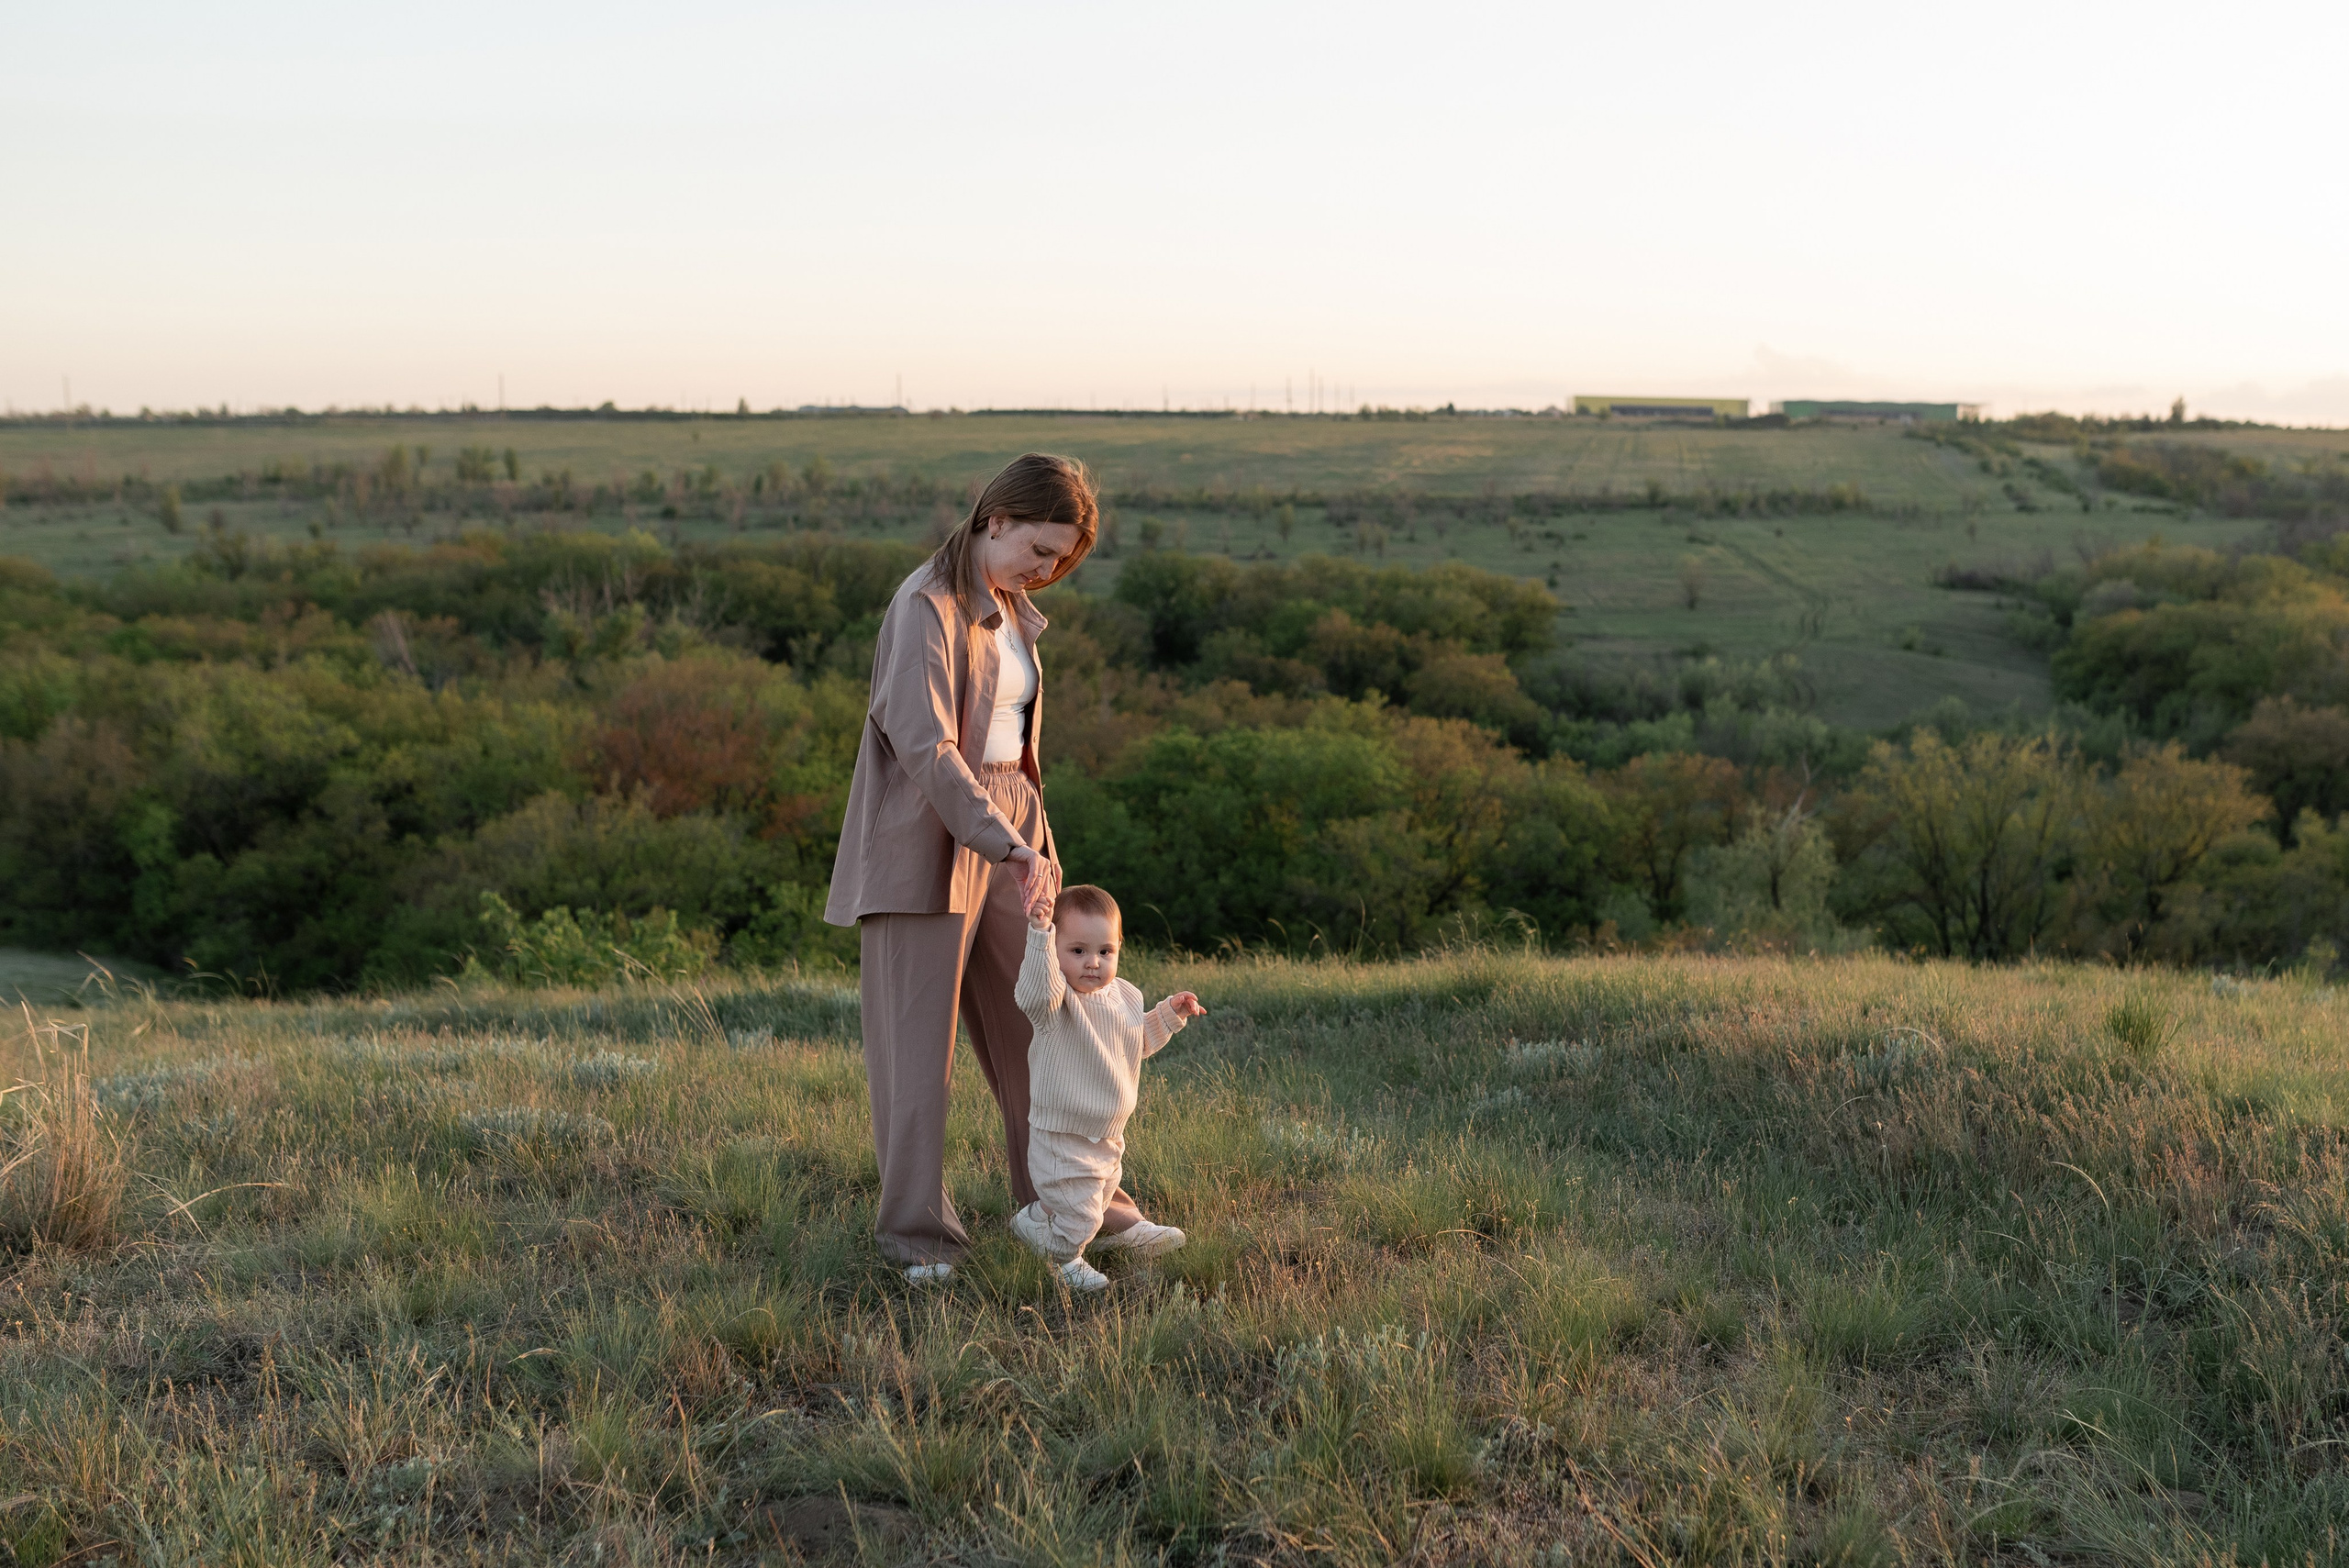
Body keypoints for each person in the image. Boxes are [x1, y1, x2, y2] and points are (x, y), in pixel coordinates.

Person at [824, 452, 1185, 1284]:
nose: (1047, 569)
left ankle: (1077, 1209)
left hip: (1012, 825)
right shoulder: (925, 604)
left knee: (1049, 1028)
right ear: (997, 518)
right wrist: (1002, 838)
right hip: (929, 832)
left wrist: (1035, 838)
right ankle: (919, 1240)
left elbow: (1013, 743)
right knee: (917, 1056)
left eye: (1060, 559)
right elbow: (924, 744)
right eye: (1039, 548)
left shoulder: (1014, 609)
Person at [1010, 882, 1205, 1290]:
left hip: (1109, 1136)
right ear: (1057, 951)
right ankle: (1063, 1259)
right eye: (1077, 951)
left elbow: (1138, 1039)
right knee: (1079, 1214)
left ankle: (1036, 1223)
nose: (1093, 963)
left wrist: (1169, 1014)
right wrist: (1040, 934)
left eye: (1105, 952)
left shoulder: (1123, 996)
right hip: (1062, 1134)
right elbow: (1033, 991)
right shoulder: (1055, 1000)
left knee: (1095, 1203)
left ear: (1118, 948)